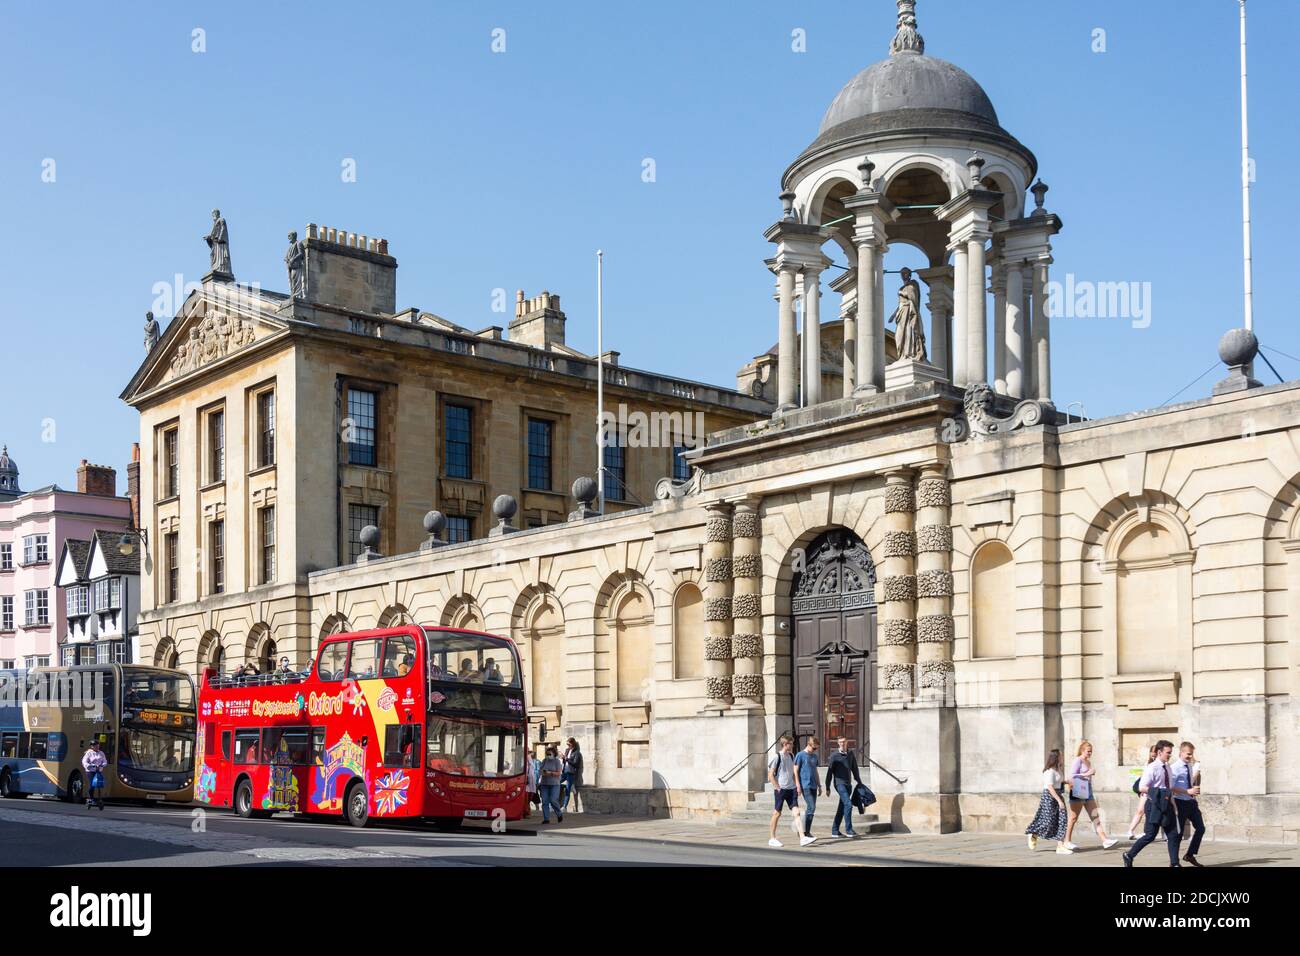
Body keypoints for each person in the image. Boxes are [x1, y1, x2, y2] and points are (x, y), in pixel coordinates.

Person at [1124, 739, 1198, 868]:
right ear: (1159, 752)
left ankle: (1175, 863)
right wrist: (1159, 792)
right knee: (1150, 835)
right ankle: (1129, 855)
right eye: (1168, 752)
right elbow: (1141, 787)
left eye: (1170, 753)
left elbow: (1169, 788)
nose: (1170, 755)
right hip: (1154, 805)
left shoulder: (1168, 767)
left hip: (1168, 804)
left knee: (1173, 834)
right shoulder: (1152, 767)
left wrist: (1174, 806)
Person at [1064, 740, 1119, 850]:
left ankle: (1105, 840)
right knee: (1073, 817)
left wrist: (1088, 776)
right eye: (1088, 751)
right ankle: (1067, 841)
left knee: (1095, 816)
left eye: (1091, 751)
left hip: (1087, 790)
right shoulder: (1077, 760)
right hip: (1078, 790)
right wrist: (1087, 773)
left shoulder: (1088, 762)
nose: (1090, 753)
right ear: (1082, 750)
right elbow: (1072, 777)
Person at [1025, 749, 1071, 854]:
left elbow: (1057, 782)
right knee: (1048, 821)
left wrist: (1066, 782)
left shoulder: (1058, 769)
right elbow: (1050, 787)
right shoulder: (1049, 771)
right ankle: (1033, 832)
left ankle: (1060, 846)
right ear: (1056, 757)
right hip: (1050, 798)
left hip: (1058, 795)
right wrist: (1059, 801)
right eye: (1061, 756)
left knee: (1062, 820)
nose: (1062, 758)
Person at [1170, 741, 1207, 867]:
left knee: (1201, 828)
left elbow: (1188, 782)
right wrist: (1187, 791)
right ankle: (1174, 862)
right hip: (1179, 802)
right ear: (1181, 752)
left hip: (1191, 802)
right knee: (1178, 834)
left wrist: (1193, 791)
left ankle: (1190, 855)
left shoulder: (1189, 766)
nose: (1190, 757)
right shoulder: (1174, 768)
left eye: (1191, 754)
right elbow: (1171, 787)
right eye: (1188, 754)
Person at [824, 736, 862, 838]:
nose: (842, 743)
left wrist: (859, 782)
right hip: (839, 784)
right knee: (848, 804)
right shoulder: (834, 756)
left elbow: (854, 768)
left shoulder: (850, 754)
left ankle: (835, 830)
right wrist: (827, 787)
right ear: (838, 743)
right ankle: (849, 830)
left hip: (848, 784)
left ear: (847, 742)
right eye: (840, 742)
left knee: (842, 807)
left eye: (844, 742)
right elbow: (829, 772)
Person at [767, 735, 799, 848]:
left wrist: (796, 786)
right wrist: (777, 787)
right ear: (786, 744)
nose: (793, 745)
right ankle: (772, 838)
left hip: (791, 789)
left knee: (796, 812)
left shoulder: (791, 755)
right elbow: (770, 775)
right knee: (777, 813)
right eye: (791, 743)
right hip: (781, 789)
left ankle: (803, 836)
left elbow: (793, 772)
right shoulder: (777, 757)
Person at [1124, 744, 1160, 840]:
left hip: (1156, 791)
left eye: (1155, 752)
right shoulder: (1148, 764)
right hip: (1146, 791)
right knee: (1140, 811)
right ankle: (1130, 831)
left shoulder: (1161, 764)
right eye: (1152, 751)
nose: (1153, 754)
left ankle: (1148, 833)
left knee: (1156, 812)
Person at [793, 737, 820, 846]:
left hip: (814, 785)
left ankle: (805, 831)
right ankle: (805, 832)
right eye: (814, 748)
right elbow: (795, 770)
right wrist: (798, 785)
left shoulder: (814, 756)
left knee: (811, 809)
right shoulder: (800, 755)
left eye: (816, 749)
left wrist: (819, 785)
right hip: (805, 785)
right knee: (811, 807)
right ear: (809, 744)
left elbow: (815, 771)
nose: (815, 750)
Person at [538, 746, 565, 824]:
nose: (548, 755)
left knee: (553, 800)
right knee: (545, 801)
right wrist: (543, 772)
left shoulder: (557, 762)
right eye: (547, 753)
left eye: (549, 753)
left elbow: (559, 773)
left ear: (554, 753)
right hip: (544, 784)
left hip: (554, 784)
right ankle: (546, 819)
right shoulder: (544, 761)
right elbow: (540, 770)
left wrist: (550, 773)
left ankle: (559, 814)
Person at [81, 739, 107, 810]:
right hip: (90, 771)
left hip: (98, 771)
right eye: (95, 745)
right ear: (92, 746)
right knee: (92, 784)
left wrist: (102, 765)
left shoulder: (101, 753)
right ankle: (91, 798)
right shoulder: (89, 753)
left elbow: (105, 761)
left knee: (99, 784)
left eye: (98, 745)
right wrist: (90, 765)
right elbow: (84, 762)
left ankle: (99, 799)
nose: (97, 746)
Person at [561, 738, 584, 813]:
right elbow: (565, 761)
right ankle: (572, 785)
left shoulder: (577, 753)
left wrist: (567, 759)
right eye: (567, 744)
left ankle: (564, 806)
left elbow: (575, 764)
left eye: (569, 744)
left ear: (572, 744)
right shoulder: (567, 750)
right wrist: (563, 759)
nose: (568, 746)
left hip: (571, 772)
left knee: (567, 789)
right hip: (565, 771)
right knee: (557, 782)